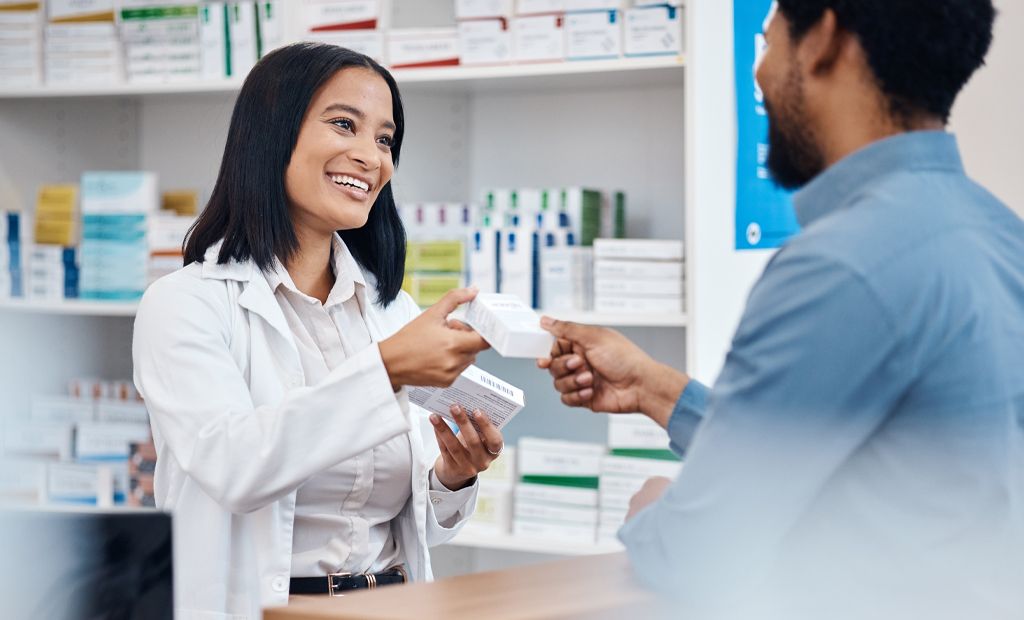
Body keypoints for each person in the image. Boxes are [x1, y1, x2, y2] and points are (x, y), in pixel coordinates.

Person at [540, 1, 1023, 618]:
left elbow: (699, 552)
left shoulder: (839, 263)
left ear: (821, 37)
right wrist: (654, 387)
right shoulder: (1005, 237)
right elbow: (879, 459)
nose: (761, 76)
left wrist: (653, 510)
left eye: (767, 44)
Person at [133, 43, 502, 620]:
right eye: (343, 125)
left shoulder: (390, 311)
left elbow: (412, 526)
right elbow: (236, 468)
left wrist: (451, 476)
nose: (369, 156)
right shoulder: (186, 304)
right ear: (271, 136)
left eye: (384, 139)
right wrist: (386, 370)